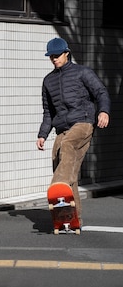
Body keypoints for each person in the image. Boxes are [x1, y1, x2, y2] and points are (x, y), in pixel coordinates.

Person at [36, 38, 110, 225]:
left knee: (67, 146)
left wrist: (103, 111)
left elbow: (101, 92)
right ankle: (72, 216)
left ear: (66, 53)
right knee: (60, 159)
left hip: (83, 123)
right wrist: (42, 134)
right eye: (51, 56)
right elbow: (48, 112)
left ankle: (58, 185)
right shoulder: (48, 81)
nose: (54, 59)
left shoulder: (82, 72)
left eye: (57, 55)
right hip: (62, 127)